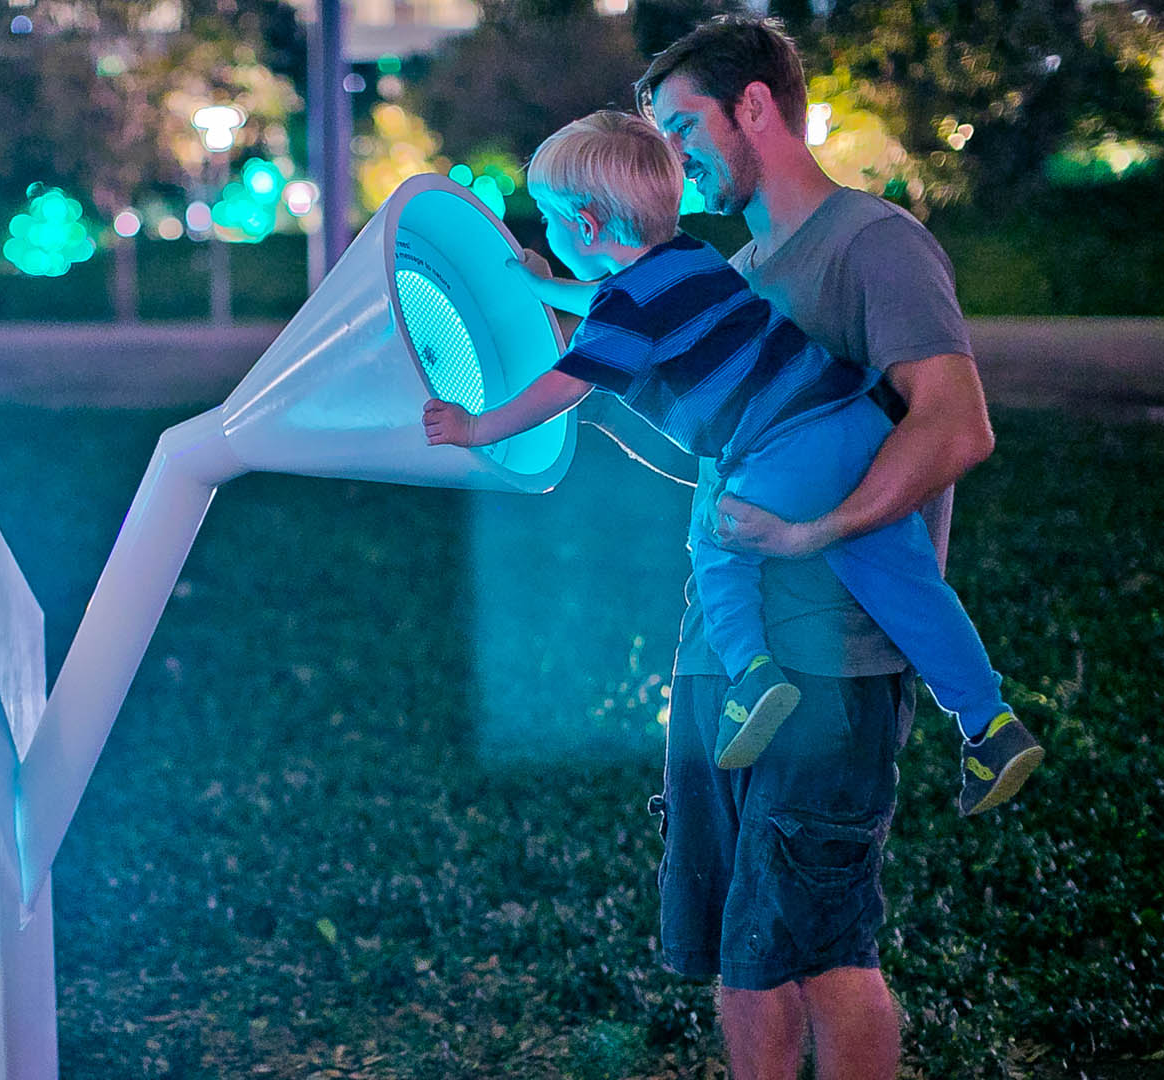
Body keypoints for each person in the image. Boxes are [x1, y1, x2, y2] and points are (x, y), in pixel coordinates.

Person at [421, 109, 1041, 804]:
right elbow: (608, 297)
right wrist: (538, 285)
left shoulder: (621, 314)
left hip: (777, 452)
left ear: (586, 228)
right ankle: (989, 723)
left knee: (720, 545)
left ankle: (752, 675)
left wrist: (477, 427)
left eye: (548, 218)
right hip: (852, 420)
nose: (547, 231)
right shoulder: (690, 259)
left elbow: (565, 382)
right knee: (911, 590)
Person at [640, 16, 1021, 1078]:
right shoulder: (737, 269)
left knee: (819, 956)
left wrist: (817, 531)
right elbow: (729, 451)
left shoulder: (873, 244)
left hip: (831, 669)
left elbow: (955, 426)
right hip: (723, 662)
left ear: (755, 106)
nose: (673, 159)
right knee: (740, 960)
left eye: (684, 128)